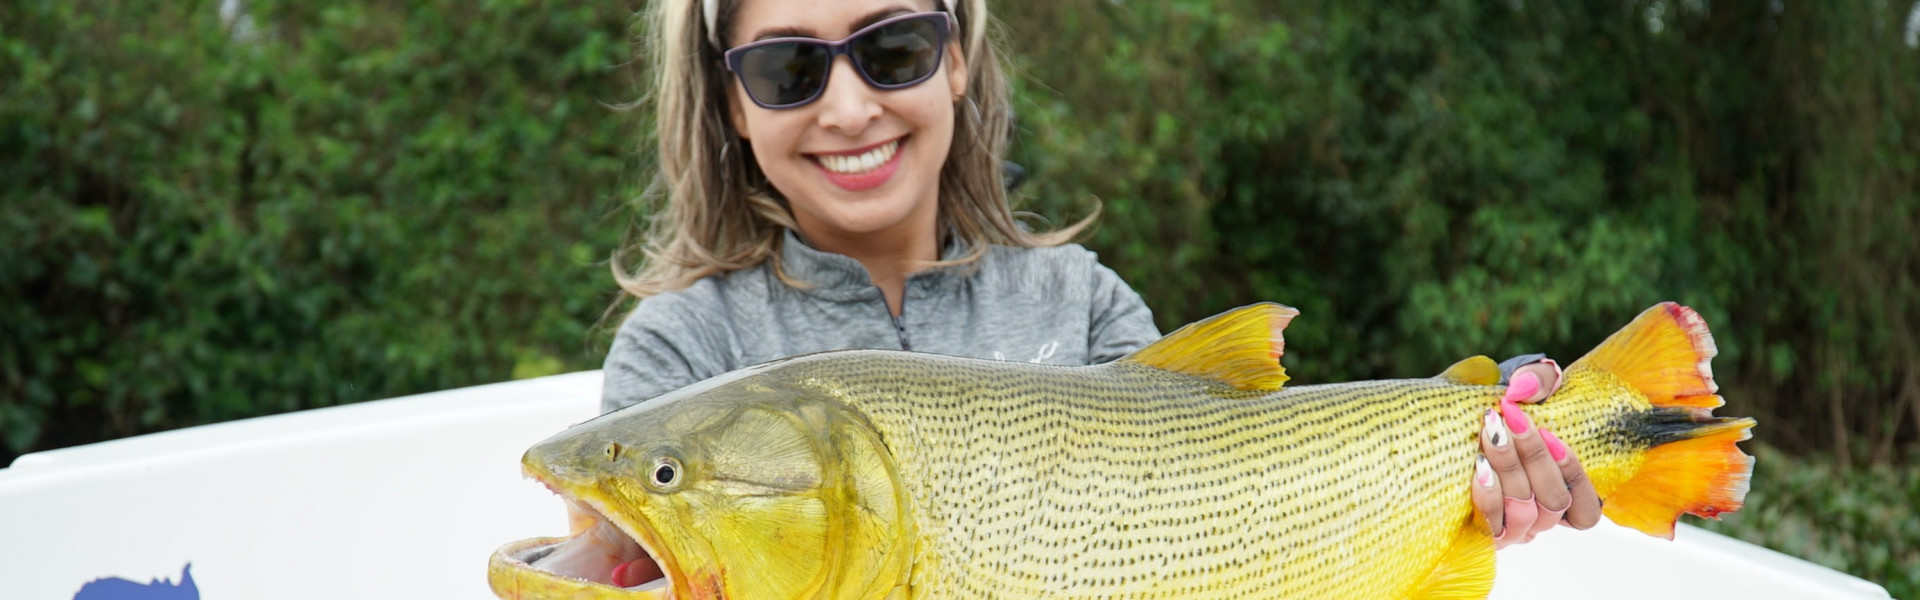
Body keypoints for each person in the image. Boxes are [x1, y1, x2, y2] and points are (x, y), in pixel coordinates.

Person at [601, 0, 1597, 551]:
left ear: (956, 57)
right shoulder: (680, 354)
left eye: (893, 48)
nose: (851, 107)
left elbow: (1231, 531)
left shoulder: (1083, 304)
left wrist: (1459, 495)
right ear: (732, 104)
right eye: (789, 70)